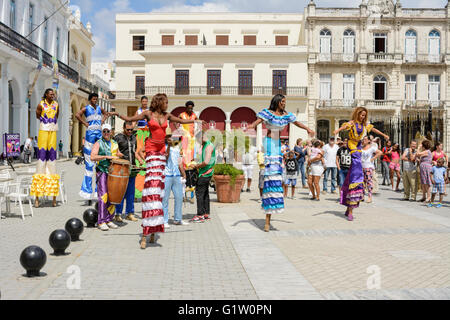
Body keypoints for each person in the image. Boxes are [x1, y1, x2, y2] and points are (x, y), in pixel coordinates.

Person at [115, 93, 202, 249]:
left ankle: (154, 229)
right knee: (151, 187)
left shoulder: (167, 115)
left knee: (158, 191)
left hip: (161, 152)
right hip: (151, 151)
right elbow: (130, 120)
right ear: (159, 102)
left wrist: (196, 120)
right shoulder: (148, 114)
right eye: (166, 102)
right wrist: (116, 113)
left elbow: (181, 121)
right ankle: (146, 233)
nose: (168, 104)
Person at [249, 94, 314, 232]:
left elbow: (296, 123)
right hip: (269, 145)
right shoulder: (268, 113)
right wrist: (251, 126)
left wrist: (307, 129)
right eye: (282, 101)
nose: (284, 103)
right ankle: (267, 220)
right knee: (270, 179)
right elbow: (258, 121)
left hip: (277, 145)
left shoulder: (286, 115)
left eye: (285, 101)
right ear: (277, 102)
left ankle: (270, 214)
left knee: (276, 181)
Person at [333, 107, 389, 221]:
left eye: (364, 115)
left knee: (356, 169)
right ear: (357, 114)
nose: (362, 117)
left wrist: (383, 135)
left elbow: (374, 130)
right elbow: (344, 126)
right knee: (356, 162)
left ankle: (349, 208)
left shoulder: (364, 126)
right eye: (361, 115)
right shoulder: (352, 123)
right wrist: (337, 131)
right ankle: (357, 177)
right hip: (351, 145)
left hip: (358, 146)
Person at [76, 93, 113, 201]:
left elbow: (106, 114)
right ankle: (86, 192)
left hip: (98, 135)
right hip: (89, 136)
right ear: (90, 100)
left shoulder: (99, 108)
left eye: (96, 99)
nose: (95, 100)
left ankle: (98, 191)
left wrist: (102, 121)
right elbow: (77, 115)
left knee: (99, 163)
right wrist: (84, 123)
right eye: (93, 99)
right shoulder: (86, 108)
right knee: (89, 165)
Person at [30, 89, 61, 208]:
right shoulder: (40, 104)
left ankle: (53, 197)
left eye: (53, 94)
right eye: (51, 93)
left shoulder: (56, 105)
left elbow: (57, 115)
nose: (53, 95)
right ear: (46, 95)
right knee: (41, 160)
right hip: (43, 130)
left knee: (52, 160)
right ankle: (37, 197)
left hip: (53, 130)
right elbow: (38, 115)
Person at [90, 123, 123, 231]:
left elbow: (117, 153)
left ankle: (109, 219)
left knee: (112, 197)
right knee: (103, 196)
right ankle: (101, 221)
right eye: (104, 131)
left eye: (108, 131)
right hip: (102, 172)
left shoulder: (114, 143)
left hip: (113, 173)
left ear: (111, 132)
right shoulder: (98, 143)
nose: (106, 133)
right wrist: (105, 156)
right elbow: (92, 157)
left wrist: (120, 155)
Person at [114, 121, 142, 223]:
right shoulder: (118, 138)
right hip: (121, 168)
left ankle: (130, 213)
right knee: (121, 192)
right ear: (123, 128)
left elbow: (134, 151)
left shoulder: (134, 138)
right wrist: (118, 154)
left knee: (131, 192)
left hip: (132, 168)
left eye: (131, 130)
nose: (130, 131)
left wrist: (139, 159)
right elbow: (113, 150)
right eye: (128, 130)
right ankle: (118, 214)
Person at [162, 129, 189, 227]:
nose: (170, 138)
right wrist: (168, 146)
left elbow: (179, 162)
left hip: (176, 175)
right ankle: (164, 220)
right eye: (168, 136)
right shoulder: (163, 147)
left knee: (179, 197)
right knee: (165, 199)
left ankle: (178, 219)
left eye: (171, 136)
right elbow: (165, 157)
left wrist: (184, 174)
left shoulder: (177, 147)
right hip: (166, 175)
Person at [189, 133, 216, 223]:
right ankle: (206, 213)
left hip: (205, 173)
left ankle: (200, 215)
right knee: (205, 193)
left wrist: (196, 166)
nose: (199, 142)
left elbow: (206, 162)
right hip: (206, 173)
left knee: (199, 193)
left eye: (198, 140)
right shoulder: (205, 145)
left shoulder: (208, 146)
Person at [134, 96, 150, 200]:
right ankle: (137, 192)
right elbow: (134, 121)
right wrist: (131, 127)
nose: (144, 102)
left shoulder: (150, 111)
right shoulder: (138, 111)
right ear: (141, 102)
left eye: (146, 101)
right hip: (140, 133)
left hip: (148, 133)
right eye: (143, 101)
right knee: (138, 152)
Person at [361, 136, 383, 203]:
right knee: (362, 182)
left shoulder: (371, 148)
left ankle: (370, 197)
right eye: (363, 139)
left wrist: (373, 158)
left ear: (368, 141)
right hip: (361, 166)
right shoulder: (361, 148)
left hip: (368, 166)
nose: (363, 140)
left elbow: (380, 152)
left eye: (365, 139)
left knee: (369, 182)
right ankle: (362, 196)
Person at [179, 100, 198, 168]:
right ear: (186, 107)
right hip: (185, 136)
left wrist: (197, 130)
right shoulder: (182, 115)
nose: (190, 109)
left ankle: (190, 164)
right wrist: (178, 129)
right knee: (184, 150)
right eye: (189, 108)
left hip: (192, 136)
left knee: (191, 150)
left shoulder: (194, 115)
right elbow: (175, 122)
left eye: (191, 108)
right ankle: (185, 165)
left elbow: (198, 121)